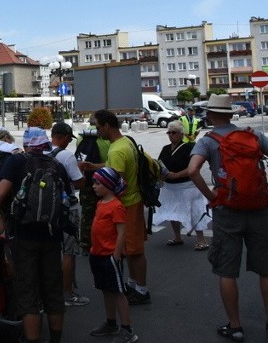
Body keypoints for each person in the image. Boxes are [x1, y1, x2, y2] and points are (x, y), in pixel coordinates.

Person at [187, 94, 268, 342]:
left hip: (227, 210)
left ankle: (235, 326)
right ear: (231, 115)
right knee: (266, 271)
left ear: (210, 115)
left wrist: (211, 196)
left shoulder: (208, 141)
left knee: (227, 271)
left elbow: (192, 171)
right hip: (259, 207)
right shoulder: (252, 136)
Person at [0, 126, 70, 343]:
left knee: (28, 295)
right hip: (52, 236)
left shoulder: (17, 161)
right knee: (53, 293)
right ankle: (55, 339)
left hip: (24, 236)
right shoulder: (57, 165)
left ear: (27, 143)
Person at [93, 109, 151, 305]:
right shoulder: (125, 142)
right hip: (134, 201)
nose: (97, 131)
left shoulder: (117, 149)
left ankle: (142, 290)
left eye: (98, 127)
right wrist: (93, 166)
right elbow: (112, 167)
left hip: (127, 204)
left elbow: (115, 180)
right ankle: (134, 284)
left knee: (134, 250)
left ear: (107, 126)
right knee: (131, 249)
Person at [87, 167, 137, 343]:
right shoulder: (101, 203)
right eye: (94, 182)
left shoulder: (116, 206)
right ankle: (111, 323)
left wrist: (115, 256)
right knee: (106, 290)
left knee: (117, 292)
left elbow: (122, 233)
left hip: (109, 256)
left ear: (108, 185)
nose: (94, 186)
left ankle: (127, 329)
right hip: (97, 254)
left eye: (98, 183)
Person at [49, 122, 89, 307]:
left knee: (50, 251)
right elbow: (79, 183)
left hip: (46, 207)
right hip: (66, 207)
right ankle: (68, 294)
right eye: (68, 139)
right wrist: (82, 171)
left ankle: (50, 291)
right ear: (64, 137)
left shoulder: (43, 151)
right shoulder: (66, 155)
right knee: (68, 251)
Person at [154, 121, 210, 250]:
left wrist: (178, 175)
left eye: (173, 132)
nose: (171, 135)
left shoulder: (189, 147)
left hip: (187, 185)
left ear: (180, 134)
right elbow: (159, 163)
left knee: (195, 210)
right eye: (169, 132)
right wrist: (161, 174)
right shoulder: (165, 148)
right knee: (172, 210)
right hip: (170, 185)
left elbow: (194, 167)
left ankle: (201, 240)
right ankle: (177, 236)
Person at [76, 116, 111, 253]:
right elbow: (110, 160)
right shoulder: (105, 139)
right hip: (103, 180)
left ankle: (85, 243)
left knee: (87, 213)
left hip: (86, 180)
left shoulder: (81, 137)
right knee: (105, 211)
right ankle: (103, 242)